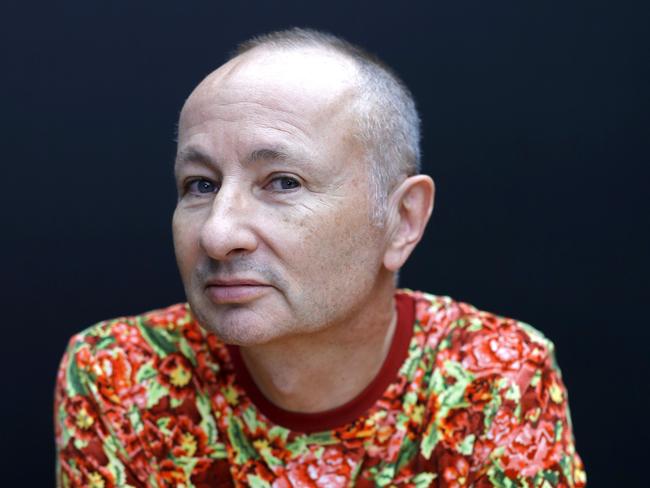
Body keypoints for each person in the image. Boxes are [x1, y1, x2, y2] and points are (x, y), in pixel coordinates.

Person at [54, 28, 585, 487]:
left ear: (402, 220)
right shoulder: (120, 375)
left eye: (283, 182)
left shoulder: (492, 376)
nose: (218, 235)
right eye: (200, 184)